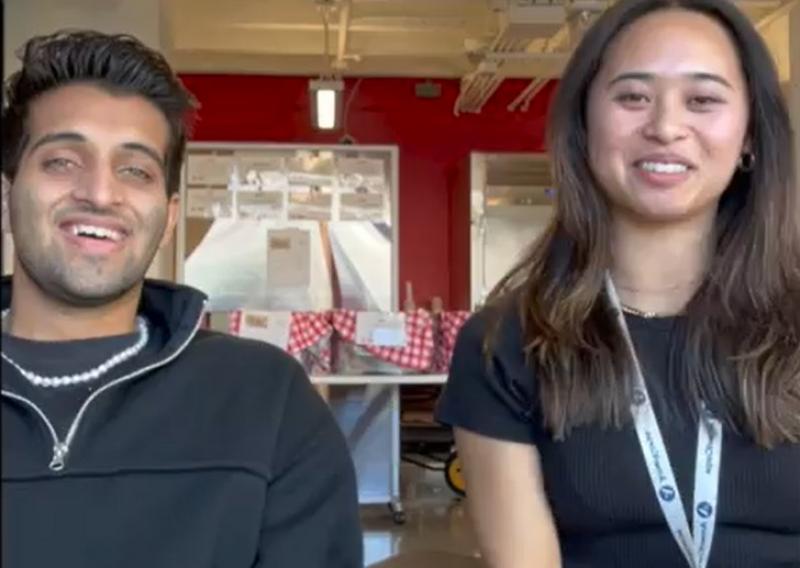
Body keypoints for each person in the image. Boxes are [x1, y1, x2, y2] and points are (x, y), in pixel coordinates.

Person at [436, 0, 800, 567]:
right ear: (584, 127)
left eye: (703, 100)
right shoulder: (507, 345)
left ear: (750, 134)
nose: (665, 127)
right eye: (632, 97)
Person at [1, 31, 362, 568]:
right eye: (61, 161)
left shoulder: (267, 401)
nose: (100, 193)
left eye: (135, 170)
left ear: (168, 218)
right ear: (6, 195)